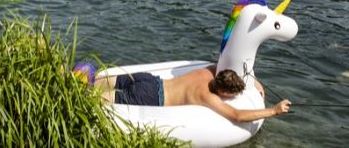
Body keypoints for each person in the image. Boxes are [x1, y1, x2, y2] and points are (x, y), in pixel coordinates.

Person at [96, 65, 290, 123]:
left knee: (95, 82)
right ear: (223, 91)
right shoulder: (208, 97)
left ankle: (69, 73)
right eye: (230, 95)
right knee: (95, 100)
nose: (229, 98)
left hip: (149, 79)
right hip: (151, 97)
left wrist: (252, 80)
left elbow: (227, 62)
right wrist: (273, 111)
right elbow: (238, 116)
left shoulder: (208, 71)